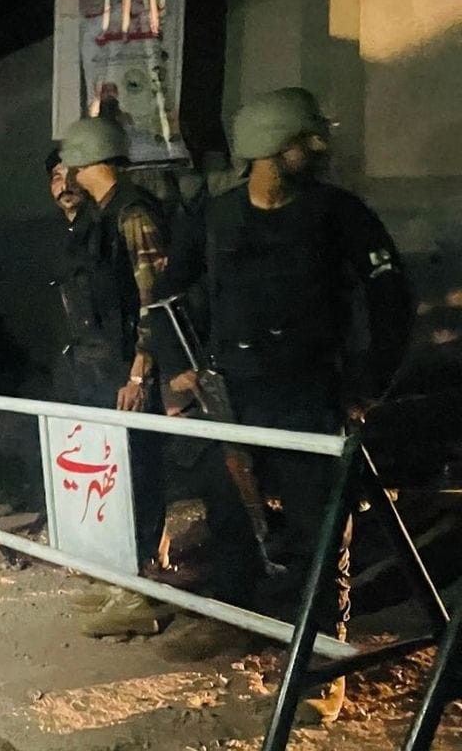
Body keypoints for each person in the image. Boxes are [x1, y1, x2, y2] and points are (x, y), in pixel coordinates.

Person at [173, 87, 414, 723]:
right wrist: (179, 366)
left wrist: (368, 384)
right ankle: (232, 617)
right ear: (271, 147)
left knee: (321, 527)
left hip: (310, 394)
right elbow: (171, 292)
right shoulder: (216, 216)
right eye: (306, 139)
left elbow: (392, 298)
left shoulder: (339, 213)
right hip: (234, 392)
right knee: (229, 512)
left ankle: (324, 659)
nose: (319, 148)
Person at [48, 118, 172, 638]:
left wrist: (140, 372)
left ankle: (139, 592)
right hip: (102, 366)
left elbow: (155, 299)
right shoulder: (102, 215)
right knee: (113, 475)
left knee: (137, 472)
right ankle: (122, 578)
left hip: (127, 369)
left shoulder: (133, 212)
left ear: (86, 162)